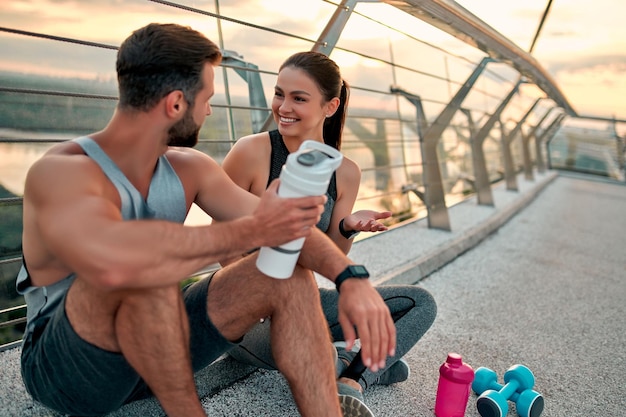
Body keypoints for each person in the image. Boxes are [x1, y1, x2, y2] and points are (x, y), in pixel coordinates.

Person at [15, 24, 398, 417]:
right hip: (67, 372)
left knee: (285, 274)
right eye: (207, 99)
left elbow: (277, 223)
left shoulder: (189, 167)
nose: (210, 110)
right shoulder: (62, 173)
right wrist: (253, 229)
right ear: (177, 103)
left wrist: (350, 276)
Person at [221, 51, 437, 416]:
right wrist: (257, 301)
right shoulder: (252, 151)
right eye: (280, 94)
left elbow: (328, 264)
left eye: (299, 98)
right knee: (312, 347)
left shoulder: (345, 173)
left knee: (420, 304)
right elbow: (223, 244)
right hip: (248, 315)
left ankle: (352, 381)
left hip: (305, 302)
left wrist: (346, 228)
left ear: (331, 105)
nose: (283, 106)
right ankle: (364, 366)